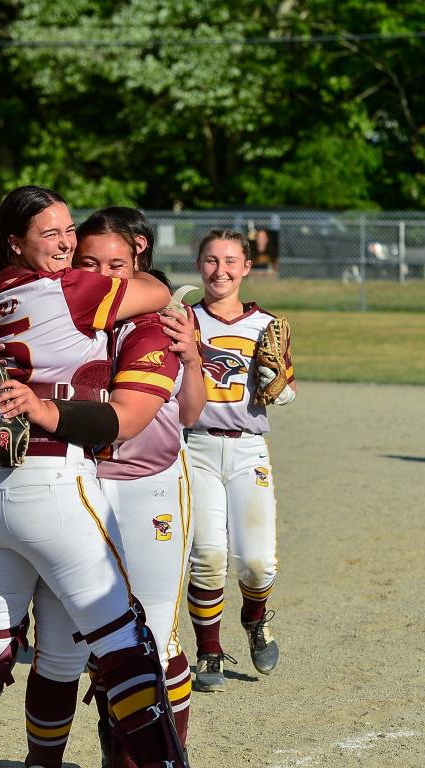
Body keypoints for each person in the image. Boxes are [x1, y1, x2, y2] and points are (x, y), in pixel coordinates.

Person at [0, 186, 189, 768]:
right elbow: (158, 291)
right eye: (53, 233)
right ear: (15, 242)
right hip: (51, 478)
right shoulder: (67, 289)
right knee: (125, 642)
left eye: (71, 229)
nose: (69, 244)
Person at [17, 207, 206, 768]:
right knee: (62, 643)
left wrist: (193, 357)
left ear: (139, 259)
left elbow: (190, 413)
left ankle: (153, 754)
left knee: (156, 637)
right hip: (81, 484)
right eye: (90, 261)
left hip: (150, 486)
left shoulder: (164, 319)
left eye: (117, 263)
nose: (105, 272)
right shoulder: (65, 314)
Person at [184, 229, 296, 693]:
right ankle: (209, 650)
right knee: (207, 555)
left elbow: (286, 392)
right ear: (199, 265)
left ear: (247, 267)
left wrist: (276, 381)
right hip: (194, 445)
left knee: (256, 563)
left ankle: (254, 619)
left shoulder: (265, 325)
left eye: (231, 261)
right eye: (211, 260)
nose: (221, 270)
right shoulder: (182, 319)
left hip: (248, 446)